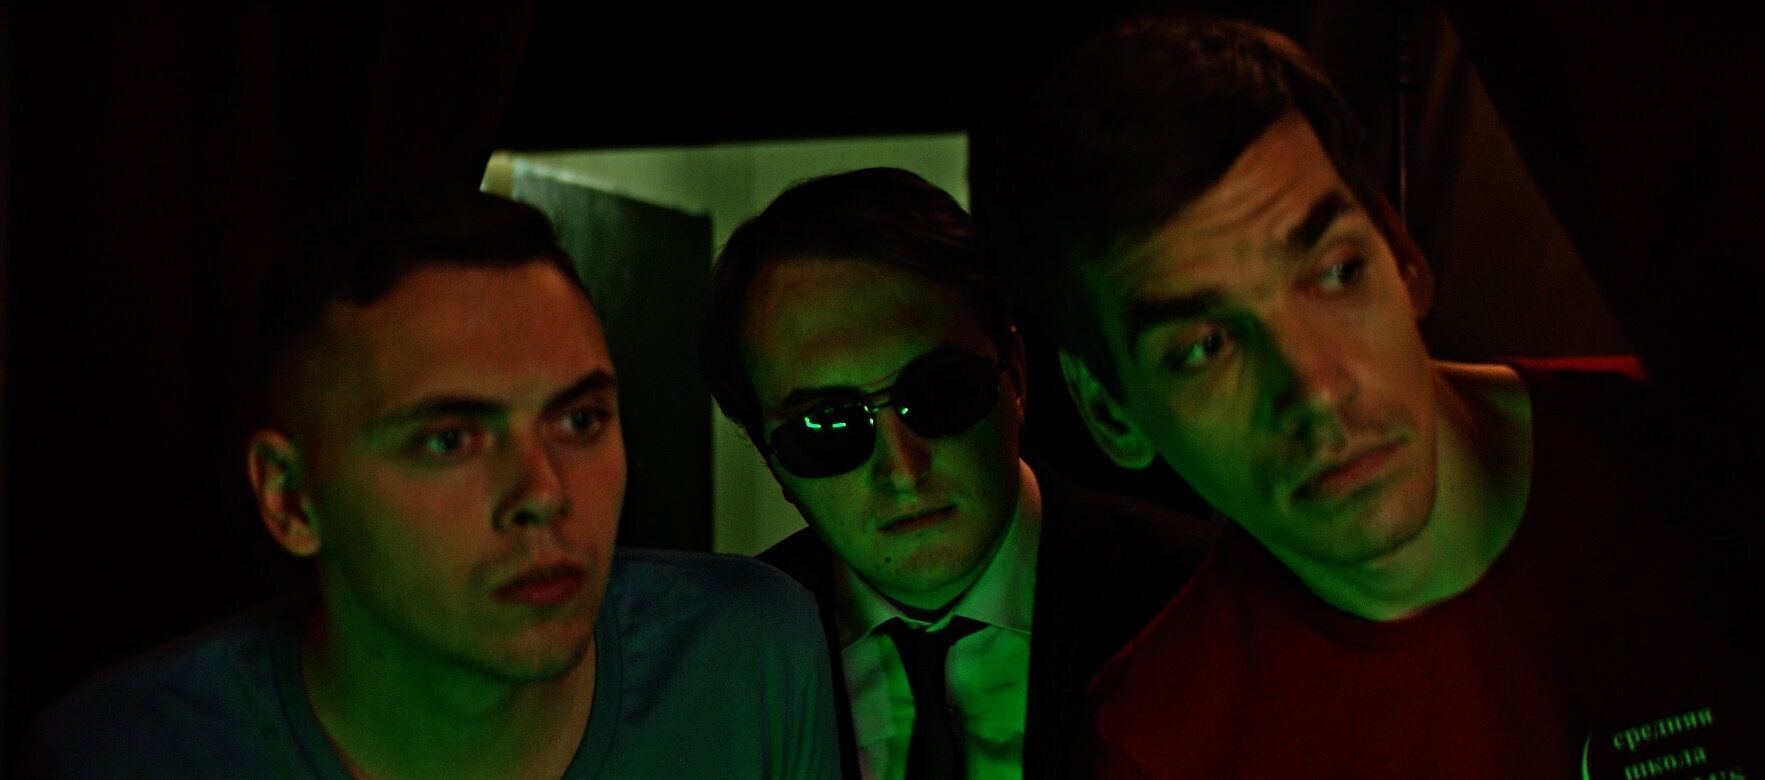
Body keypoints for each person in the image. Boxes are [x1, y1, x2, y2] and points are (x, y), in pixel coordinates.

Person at [989, 16, 1760, 778]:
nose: (1316, 388)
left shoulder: (1703, 454)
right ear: (1109, 411)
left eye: (1335, 274)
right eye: (1205, 347)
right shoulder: (1162, 748)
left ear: (1400, 254)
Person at [31, 191, 839, 778]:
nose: (543, 493)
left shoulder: (749, 657)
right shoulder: (123, 754)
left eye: (580, 420)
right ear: (290, 498)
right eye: (450, 440)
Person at [702, 167, 1214, 780]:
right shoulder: (728, 657)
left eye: (939, 392)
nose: (902, 469)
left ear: (1016, 372)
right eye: (827, 425)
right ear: (769, 455)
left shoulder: (1202, 600)